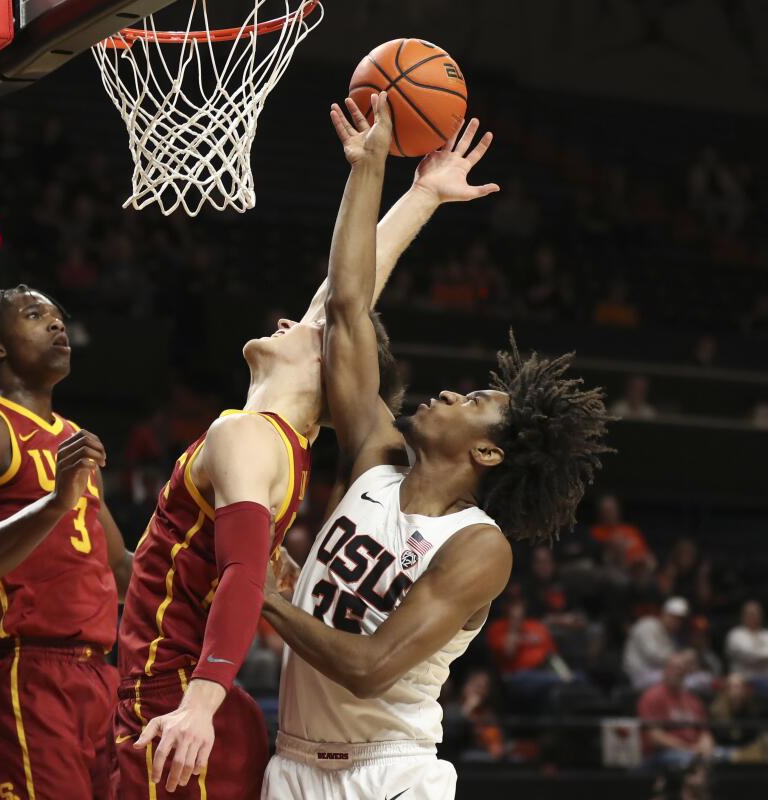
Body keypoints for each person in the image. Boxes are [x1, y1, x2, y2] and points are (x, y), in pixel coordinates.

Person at [116, 93, 476, 800]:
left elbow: (245, 575)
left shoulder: (248, 437)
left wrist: (202, 700)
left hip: (178, 704)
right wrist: (422, 195)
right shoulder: (280, 438)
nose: (293, 317)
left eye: (309, 330)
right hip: (185, 701)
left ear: (325, 368)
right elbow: (342, 297)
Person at [259, 95, 611, 800]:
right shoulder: (374, 458)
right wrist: (369, 170)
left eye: (475, 403)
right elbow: (348, 310)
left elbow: (370, 666)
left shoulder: (478, 547)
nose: (452, 395)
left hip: (390, 771)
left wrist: (263, 595)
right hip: (293, 761)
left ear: (488, 455)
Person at [0, 285, 132, 800]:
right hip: (23, 671)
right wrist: (55, 503)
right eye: (35, 314)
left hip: (97, 675)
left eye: (59, 317)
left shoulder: (74, 440)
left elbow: (122, 569)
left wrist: (223, 567)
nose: (57, 325)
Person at [638, 652, 713, 771]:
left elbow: (704, 732)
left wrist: (706, 748)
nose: (678, 672)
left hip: (694, 751)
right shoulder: (652, 697)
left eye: (682, 669)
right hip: (662, 754)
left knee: (726, 758)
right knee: (690, 761)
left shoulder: (693, 700)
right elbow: (655, 738)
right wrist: (689, 748)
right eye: (674, 668)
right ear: (665, 670)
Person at [725, 600, 768, 693]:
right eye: (749, 613)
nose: (753, 616)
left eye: (756, 613)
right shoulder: (735, 634)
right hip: (746, 681)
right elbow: (748, 655)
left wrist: (758, 655)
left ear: (761, 615)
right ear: (743, 616)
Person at [625, 597, 689, 689]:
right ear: (664, 613)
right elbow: (652, 655)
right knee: (684, 681)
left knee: (695, 678)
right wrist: (680, 658)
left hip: (658, 673)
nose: (676, 621)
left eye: (679, 619)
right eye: (673, 617)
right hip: (639, 674)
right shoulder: (648, 624)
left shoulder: (670, 635)